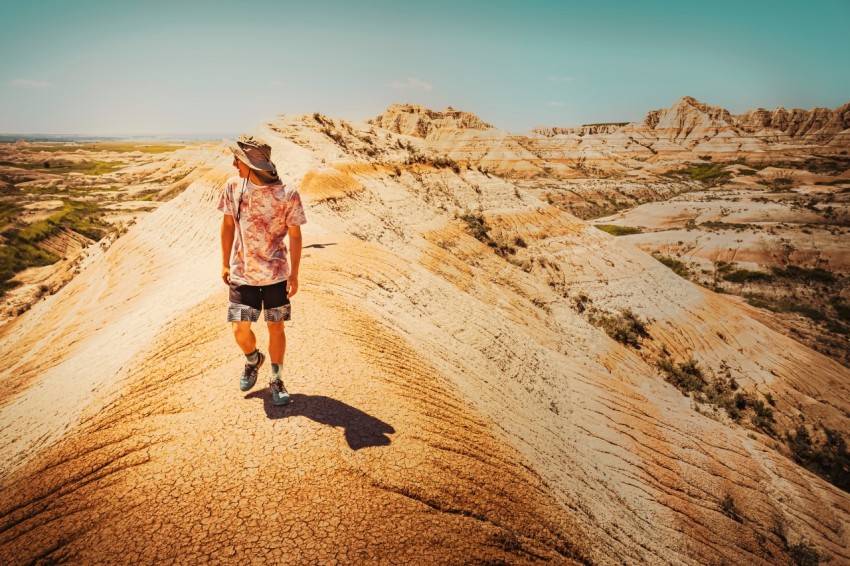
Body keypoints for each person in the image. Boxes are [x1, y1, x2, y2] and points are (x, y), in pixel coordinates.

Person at [218, 134, 306, 406]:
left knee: (275, 327)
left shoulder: (287, 193)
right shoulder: (234, 187)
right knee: (239, 329)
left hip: (276, 275)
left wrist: (294, 274)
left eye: (238, 159)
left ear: (252, 164)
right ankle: (253, 359)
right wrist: (224, 262)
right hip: (243, 273)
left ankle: (276, 379)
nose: (234, 163)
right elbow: (228, 225)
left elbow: (295, 235)